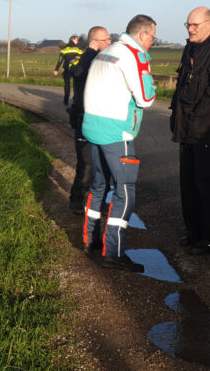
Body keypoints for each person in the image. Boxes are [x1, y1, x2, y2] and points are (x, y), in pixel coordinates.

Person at [82, 15, 157, 272]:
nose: (152, 42)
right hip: (117, 133)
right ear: (144, 35)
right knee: (124, 193)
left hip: (92, 128)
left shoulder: (108, 51)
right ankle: (113, 253)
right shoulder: (134, 55)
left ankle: (89, 240)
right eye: (153, 37)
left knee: (98, 186)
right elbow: (146, 99)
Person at [170, 6, 210, 255]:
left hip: (207, 129)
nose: (190, 30)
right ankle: (194, 231)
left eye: (195, 25)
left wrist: (195, 117)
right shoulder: (191, 47)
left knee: (205, 185)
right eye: (187, 25)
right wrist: (178, 117)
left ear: (209, 23)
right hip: (186, 128)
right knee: (187, 184)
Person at [68, 26, 113, 213]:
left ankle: (99, 201)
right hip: (83, 118)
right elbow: (77, 74)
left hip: (104, 119)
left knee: (104, 164)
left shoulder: (107, 59)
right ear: (95, 41)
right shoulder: (83, 58)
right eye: (106, 40)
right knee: (86, 164)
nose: (109, 43)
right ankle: (76, 199)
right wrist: (90, 51)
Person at [54, 35, 83, 106]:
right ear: (73, 39)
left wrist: (56, 70)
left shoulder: (64, 49)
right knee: (76, 85)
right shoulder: (78, 49)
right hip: (76, 70)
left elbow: (60, 60)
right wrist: (74, 60)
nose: (78, 41)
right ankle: (75, 100)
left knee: (67, 85)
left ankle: (66, 100)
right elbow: (82, 58)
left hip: (66, 69)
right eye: (77, 40)